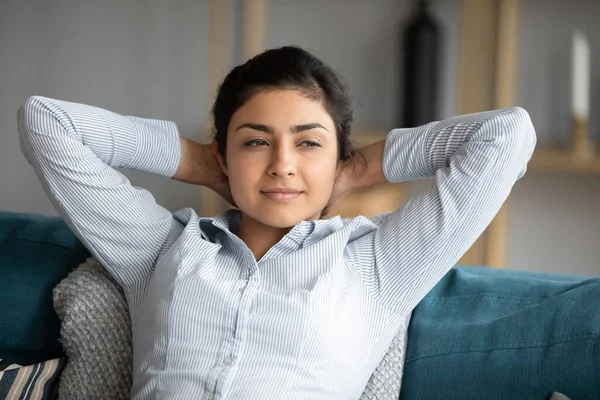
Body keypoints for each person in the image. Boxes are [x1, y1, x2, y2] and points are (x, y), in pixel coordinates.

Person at [17, 46, 536, 399]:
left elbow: (506, 137)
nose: (282, 164)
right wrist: (203, 163)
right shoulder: (162, 250)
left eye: (309, 142)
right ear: (226, 153)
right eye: (256, 141)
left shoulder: (377, 266)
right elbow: (46, 122)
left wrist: (357, 170)